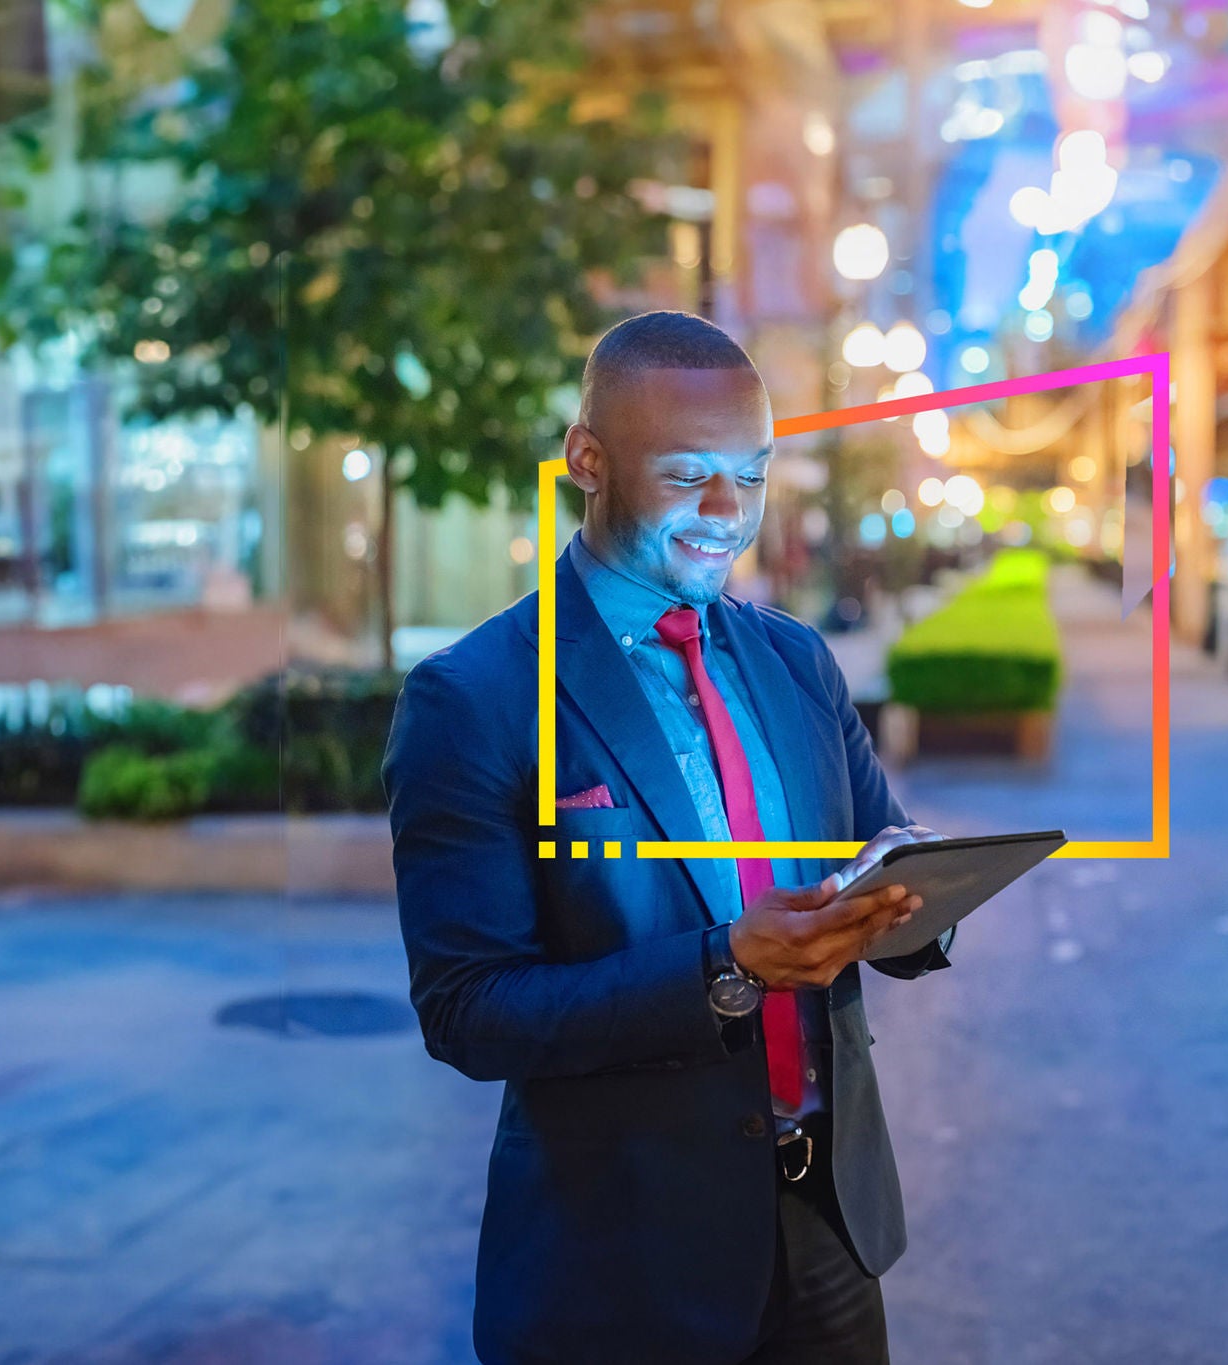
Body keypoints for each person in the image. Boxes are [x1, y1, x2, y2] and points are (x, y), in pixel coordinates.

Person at [383, 310, 954, 1365]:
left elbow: (879, 860)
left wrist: (922, 898)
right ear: (585, 461)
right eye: (688, 474)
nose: (727, 512)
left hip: (828, 1221)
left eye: (751, 472)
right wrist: (724, 967)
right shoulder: (476, 698)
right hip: (622, 1267)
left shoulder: (795, 662)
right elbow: (468, 1012)